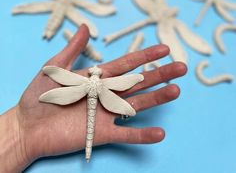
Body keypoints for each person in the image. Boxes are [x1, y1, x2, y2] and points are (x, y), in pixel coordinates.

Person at [0, 24, 187, 172]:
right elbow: (133, 80)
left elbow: (56, 77)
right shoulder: (100, 82)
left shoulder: (83, 81)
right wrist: (20, 131)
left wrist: (19, 133)